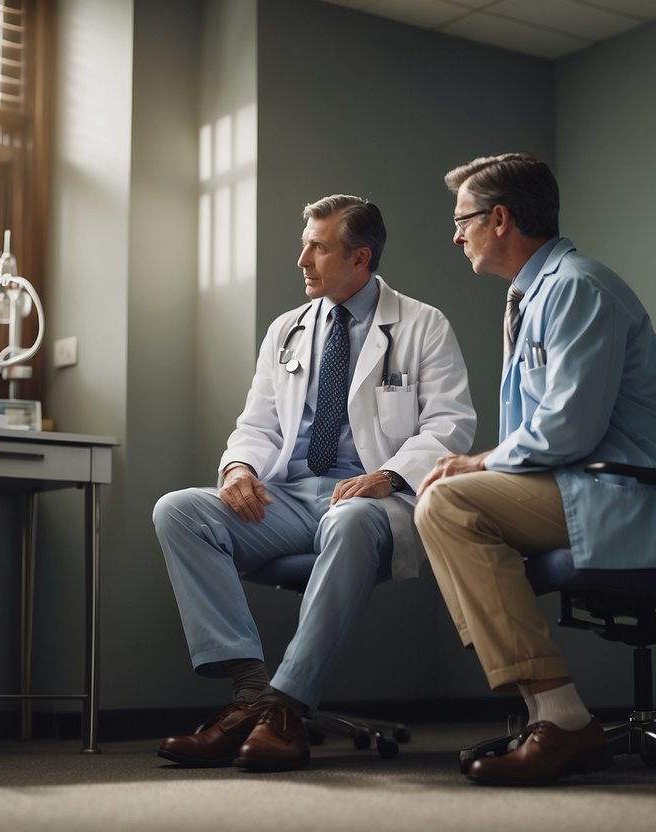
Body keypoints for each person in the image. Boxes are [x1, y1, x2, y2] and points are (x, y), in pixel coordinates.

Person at [415, 153, 656, 786]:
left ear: (499, 219)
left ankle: (562, 718)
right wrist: (479, 465)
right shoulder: (534, 293)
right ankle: (545, 711)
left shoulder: (576, 285)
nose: (456, 233)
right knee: (449, 498)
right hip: (591, 480)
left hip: (634, 490)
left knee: (448, 504)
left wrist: (480, 460)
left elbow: (567, 427)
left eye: (463, 219)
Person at [154, 194, 476, 772]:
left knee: (349, 518)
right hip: (290, 498)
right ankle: (252, 693)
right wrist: (239, 469)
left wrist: (387, 475)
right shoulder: (287, 330)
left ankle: (287, 705)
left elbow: (451, 425)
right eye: (305, 243)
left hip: (372, 500)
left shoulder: (423, 325)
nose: (302, 259)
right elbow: (257, 423)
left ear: (361, 258)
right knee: (179, 510)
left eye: (317, 247)